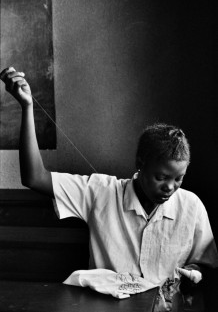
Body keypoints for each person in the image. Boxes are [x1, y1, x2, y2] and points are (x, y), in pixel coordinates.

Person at [1, 67, 218, 306]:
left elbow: (205, 265)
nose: (170, 187)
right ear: (140, 164)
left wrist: (194, 273)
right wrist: (27, 107)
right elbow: (34, 177)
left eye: (178, 179)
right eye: (161, 177)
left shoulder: (191, 206)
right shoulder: (101, 192)